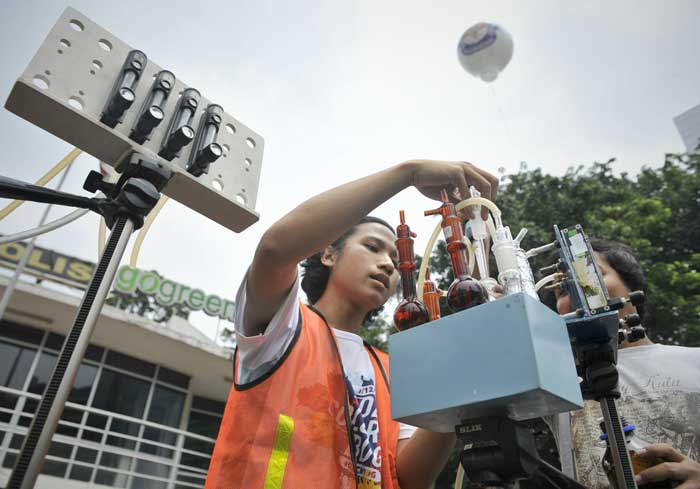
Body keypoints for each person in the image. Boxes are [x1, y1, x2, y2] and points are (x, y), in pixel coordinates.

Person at [204, 160, 499, 489]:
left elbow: (410, 478)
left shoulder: (391, 371)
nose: (388, 263)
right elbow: (275, 250)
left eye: (397, 259)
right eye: (372, 247)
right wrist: (408, 173)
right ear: (328, 254)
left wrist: (459, 375)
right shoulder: (284, 327)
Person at [554, 239, 700, 489]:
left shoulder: (694, 361)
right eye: (562, 291)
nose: (578, 293)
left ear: (632, 290)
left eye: (592, 275)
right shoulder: (554, 383)